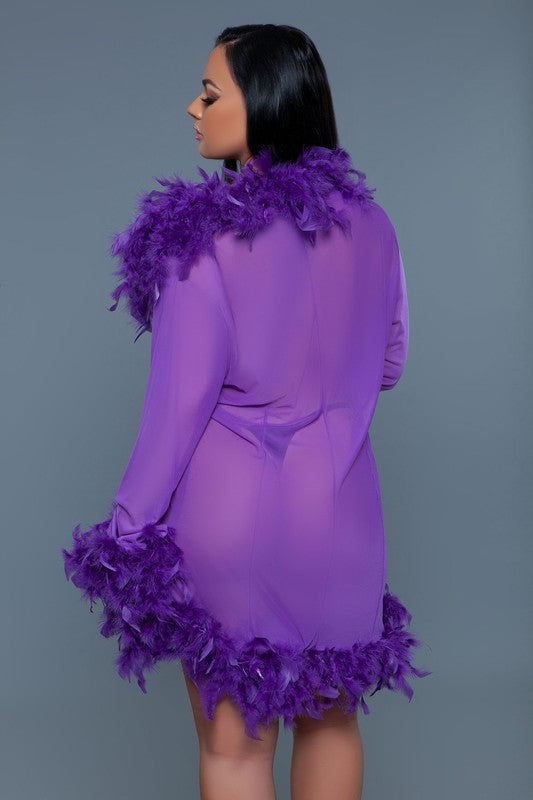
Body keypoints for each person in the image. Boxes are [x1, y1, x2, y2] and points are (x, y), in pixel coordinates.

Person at [61, 23, 431, 800]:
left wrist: (126, 535)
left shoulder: (201, 239)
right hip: (346, 522)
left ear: (261, 103)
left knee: (234, 749)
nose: (192, 108)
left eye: (209, 93)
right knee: (331, 722)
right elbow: (388, 364)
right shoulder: (375, 225)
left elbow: (176, 409)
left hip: (234, 527)